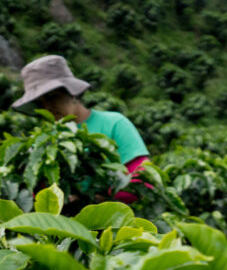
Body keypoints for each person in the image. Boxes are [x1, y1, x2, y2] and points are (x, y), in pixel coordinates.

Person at [11, 54, 150, 203]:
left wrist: (97, 198)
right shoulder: (44, 141)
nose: (47, 107)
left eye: (53, 97)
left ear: (72, 93)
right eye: (40, 103)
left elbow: (143, 178)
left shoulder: (114, 123)